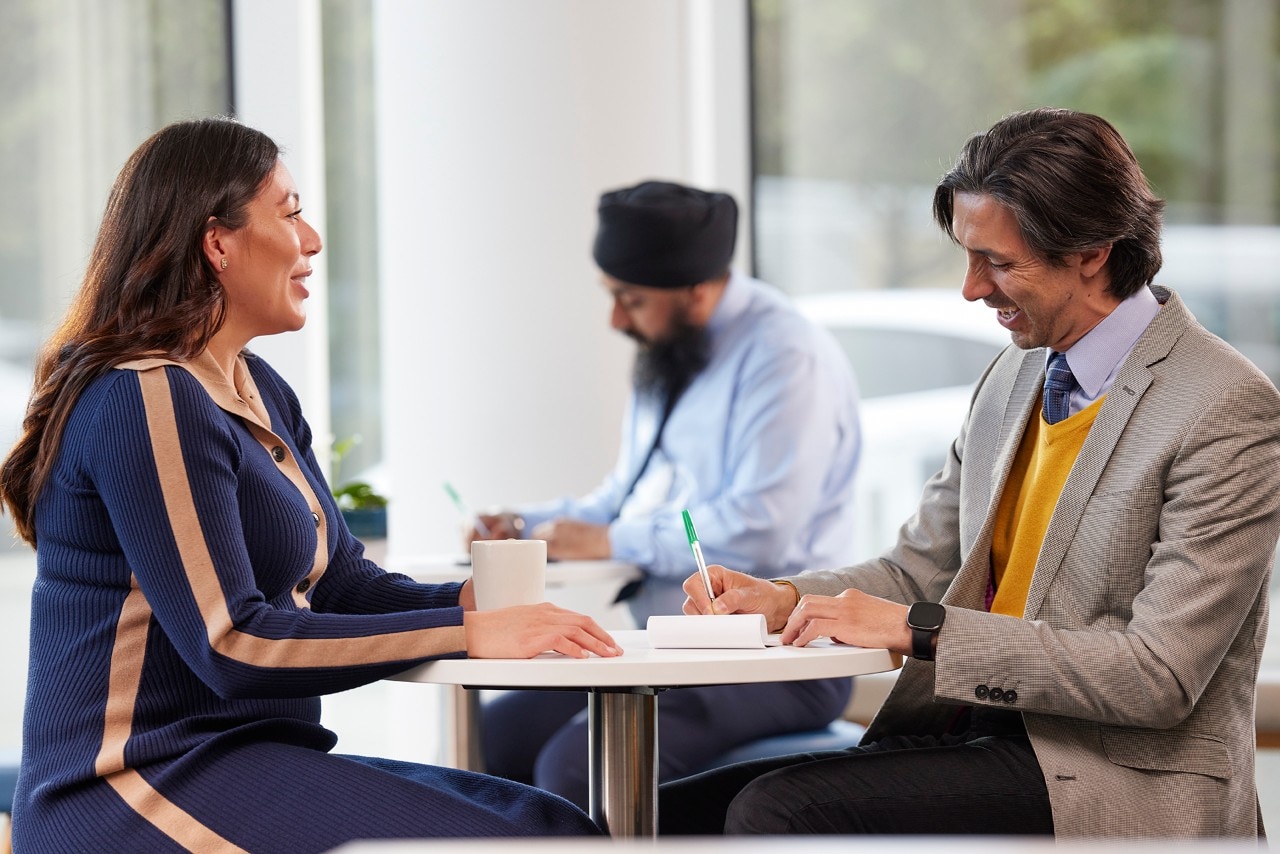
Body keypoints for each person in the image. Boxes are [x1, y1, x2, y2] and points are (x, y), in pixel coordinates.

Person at [0, 117, 621, 853]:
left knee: (555, 828)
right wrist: (471, 633)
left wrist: (468, 601)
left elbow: (342, 586)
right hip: (135, 783)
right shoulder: (148, 398)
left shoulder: (256, 387)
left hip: (247, 758)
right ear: (218, 242)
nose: (314, 240)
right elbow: (230, 642)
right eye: (290, 212)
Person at [659, 107, 1280, 838]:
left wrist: (922, 632)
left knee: (777, 811)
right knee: (672, 814)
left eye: (1001, 262)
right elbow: (920, 570)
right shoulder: (1014, 376)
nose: (971, 289)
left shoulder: (1225, 407)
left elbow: (1158, 675)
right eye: (967, 255)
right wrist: (787, 597)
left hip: (1118, 778)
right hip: (979, 735)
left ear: (1093, 251)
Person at [471, 180, 863, 808]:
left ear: (697, 292)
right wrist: (524, 525)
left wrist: (609, 540)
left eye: (630, 300)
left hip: (778, 653)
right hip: (664, 642)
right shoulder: (671, 350)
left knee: (576, 768)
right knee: (497, 736)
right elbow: (622, 499)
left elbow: (762, 526)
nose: (616, 320)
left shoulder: (786, 356)